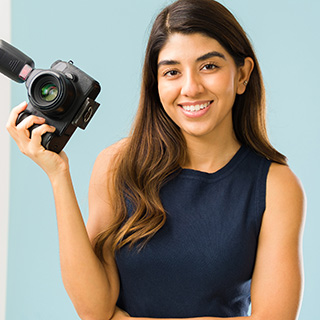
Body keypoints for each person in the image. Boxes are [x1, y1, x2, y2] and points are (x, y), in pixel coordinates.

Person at [6, 0, 306, 319]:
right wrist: (58, 174)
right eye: (172, 71)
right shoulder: (116, 165)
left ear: (243, 74)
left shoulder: (276, 186)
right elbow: (95, 311)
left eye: (209, 66)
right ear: (156, 82)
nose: (190, 88)